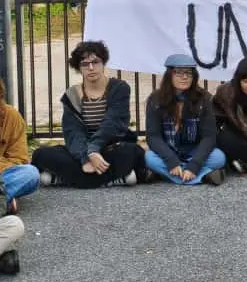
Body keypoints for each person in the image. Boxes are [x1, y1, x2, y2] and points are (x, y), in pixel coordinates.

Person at [32, 41, 145, 188]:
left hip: (110, 148)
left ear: (103, 63)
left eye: (95, 62)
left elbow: (112, 125)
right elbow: (73, 132)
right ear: (79, 68)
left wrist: (93, 150)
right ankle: (115, 179)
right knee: (41, 154)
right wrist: (85, 158)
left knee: (131, 151)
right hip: (81, 151)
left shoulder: (119, 88)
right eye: (85, 64)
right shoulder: (72, 94)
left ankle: (63, 179)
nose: (91, 68)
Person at [145, 54, 226, 185]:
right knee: (149, 158)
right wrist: (171, 161)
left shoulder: (204, 99)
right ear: (169, 75)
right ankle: (204, 176)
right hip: (169, 151)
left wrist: (194, 164)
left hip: (194, 151)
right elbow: (153, 136)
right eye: (179, 73)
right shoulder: (155, 99)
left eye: (189, 73)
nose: (184, 77)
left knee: (219, 158)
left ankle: (168, 174)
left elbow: (209, 137)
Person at [0, 77, 39, 213]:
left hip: (2, 175)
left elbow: (19, 159)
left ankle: (3, 197)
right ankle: (5, 199)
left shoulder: (11, 116)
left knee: (30, 174)